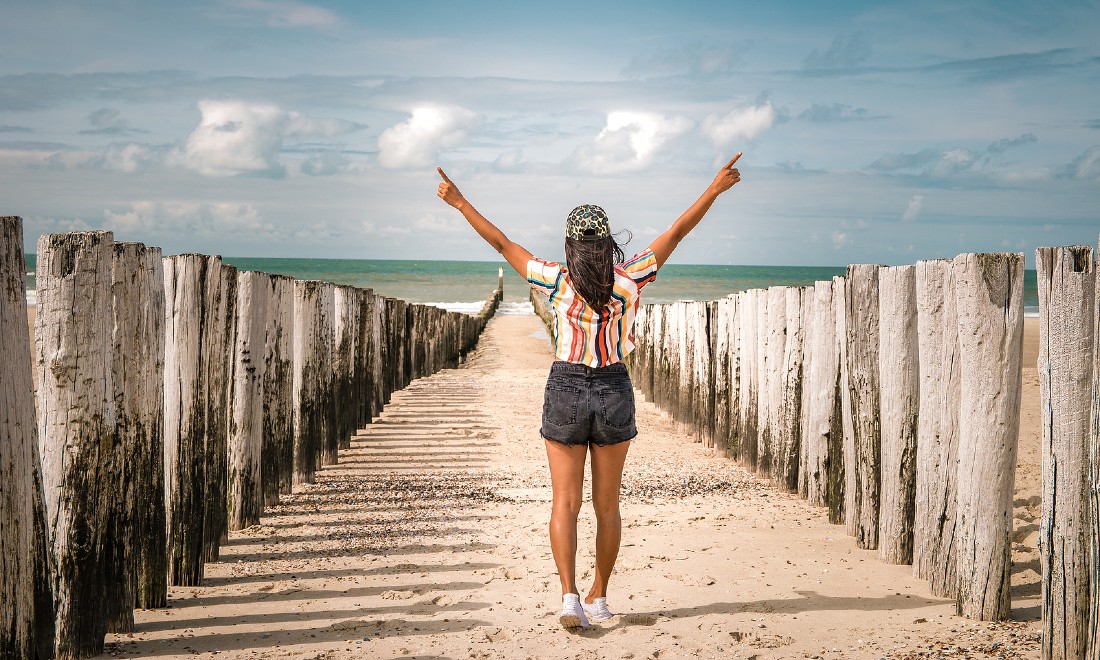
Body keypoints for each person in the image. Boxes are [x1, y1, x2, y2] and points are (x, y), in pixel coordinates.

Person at [435, 154, 742, 629]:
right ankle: (600, 595)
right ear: (607, 241)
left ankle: (569, 597)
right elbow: (678, 232)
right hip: (614, 386)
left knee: (564, 503)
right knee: (607, 505)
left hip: (566, 385)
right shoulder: (631, 276)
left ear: (570, 244)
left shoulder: (557, 279)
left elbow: (501, 243)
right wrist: (714, 189)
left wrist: (459, 202)